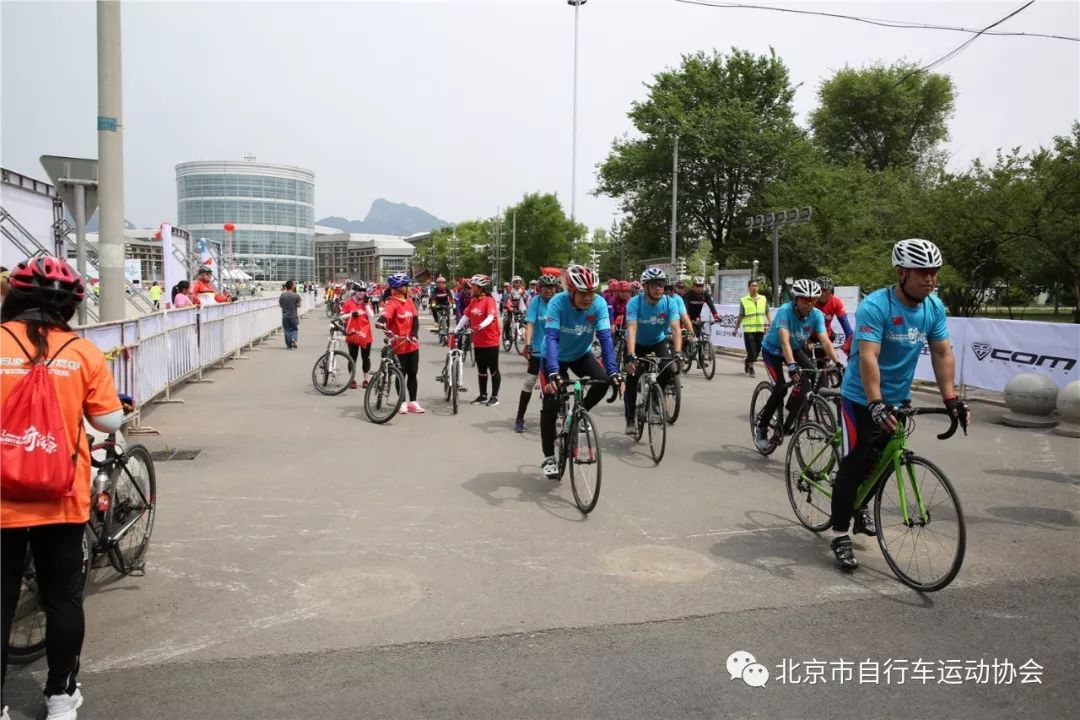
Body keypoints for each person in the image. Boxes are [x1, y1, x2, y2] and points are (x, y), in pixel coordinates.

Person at [1, 256, 123, 720]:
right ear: (71, 306)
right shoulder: (82, 352)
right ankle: (59, 698)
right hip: (60, 496)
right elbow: (107, 420)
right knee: (62, 600)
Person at [827, 239, 968, 571]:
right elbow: (868, 357)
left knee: (885, 457)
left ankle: (860, 507)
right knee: (857, 459)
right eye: (923, 273)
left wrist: (951, 398)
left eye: (934, 273)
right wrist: (875, 403)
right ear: (902, 273)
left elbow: (942, 352)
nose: (930, 279)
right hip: (861, 397)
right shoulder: (877, 306)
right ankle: (839, 534)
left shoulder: (933, 307)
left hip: (898, 399)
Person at [539, 264, 622, 479]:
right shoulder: (557, 303)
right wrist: (553, 372)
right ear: (571, 291)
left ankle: (578, 415)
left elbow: (605, 338)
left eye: (592, 292)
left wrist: (613, 371)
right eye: (583, 293)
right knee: (550, 402)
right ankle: (549, 456)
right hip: (553, 355)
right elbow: (552, 338)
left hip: (580, 354)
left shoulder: (599, 304)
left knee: (603, 380)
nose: (588, 298)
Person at [754, 279, 843, 451]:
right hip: (773, 351)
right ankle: (762, 427)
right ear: (795, 299)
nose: (809, 304)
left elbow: (825, 341)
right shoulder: (785, 312)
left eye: (813, 300)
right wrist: (792, 365)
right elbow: (784, 341)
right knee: (780, 388)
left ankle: (790, 413)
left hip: (794, 349)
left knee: (811, 374)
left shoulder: (816, 315)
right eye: (804, 299)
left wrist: (838, 363)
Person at [623, 269, 683, 435]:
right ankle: (629, 418)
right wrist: (631, 355)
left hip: (658, 341)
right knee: (632, 377)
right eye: (654, 285)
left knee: (670, 368)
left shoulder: (669, 303)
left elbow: (676, 329)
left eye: (661, 285)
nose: (658, 288)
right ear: (645, 287)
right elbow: (632, 328)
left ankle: (656, 397)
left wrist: (678, 352)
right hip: (637, 343)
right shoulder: (635, 303)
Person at [514, 274, 561, 432]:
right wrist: (527, 345)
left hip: (556, 351)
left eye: (552, 288)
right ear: (540, 288)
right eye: (546, 288)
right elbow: (530, 325)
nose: (549, 291)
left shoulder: (560, 301)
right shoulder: (536, 301)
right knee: (529, 382)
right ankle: (520, 417)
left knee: (558, 384)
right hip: (538, 350)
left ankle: (561, 415)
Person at [376, 273, 423, 414]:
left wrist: (414, 334)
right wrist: (381, 323)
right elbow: (385, 316)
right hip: (398, 346)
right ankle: (402, 402)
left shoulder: (409, 301)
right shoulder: (392, 303)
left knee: (413, 373)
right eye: (407, 285)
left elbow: (415, 320)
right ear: (399, 288)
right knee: (400, 375)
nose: (409, 288)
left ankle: (413, 402)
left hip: (412, 344)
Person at [455, 274, 501, 406]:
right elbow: (466, 316)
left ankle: (495, 396)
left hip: (490, 341)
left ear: (481, 288)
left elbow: (491, 317)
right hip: (478, 341)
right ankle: (482, 395)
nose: (471, 288)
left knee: (493, 370)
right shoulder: (473, 301)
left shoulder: (489, 301)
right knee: (481, 370)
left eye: (474, 286)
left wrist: (479, 326)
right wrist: (457, 328)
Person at [732, 278, 770, 377]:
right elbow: (741, 316)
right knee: (752, 351)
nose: (755, 288)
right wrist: (736, 328)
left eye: (756, 286)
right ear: (749, 288)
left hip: (760, 329)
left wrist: (772, 324)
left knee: (757, 351)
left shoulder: (763, 299)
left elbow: (767, 312)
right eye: (753, 286)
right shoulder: (744, 300)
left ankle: (747, 361)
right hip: (748, 330)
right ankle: (751, 368)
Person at [340, 281, 374, 389]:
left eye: (363, 290)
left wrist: (366, 304)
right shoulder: (348, 302)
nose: (361, 292)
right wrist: (351, 314)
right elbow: (341, 317)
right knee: (352, 358)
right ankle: (352, 379)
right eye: (359, 290)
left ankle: (365, 379)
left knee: (366, 357)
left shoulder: (366, 303)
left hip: (365, 335)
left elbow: (371, 315)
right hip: (353, 334)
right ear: (355, 291)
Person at [814, 276, 854, 359]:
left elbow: (845, 323)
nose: (823, 294)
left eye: (826, 290)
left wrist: (849, 341)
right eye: (820, 290)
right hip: (808, 334)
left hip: (826, 334)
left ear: (832, 291)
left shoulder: (836, 302)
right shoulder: (811, 301)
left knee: (825, 361)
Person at [278, 280, 302, 349]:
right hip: (293, 315)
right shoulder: (296, 295)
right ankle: (294, 339)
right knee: (294, 329)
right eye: (294, 285)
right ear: (292, 286)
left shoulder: (282, 295)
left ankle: (289, 345)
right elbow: (299, 305)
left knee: (287, 330)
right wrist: (294, 304)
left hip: (285, 316)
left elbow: (280, 305)